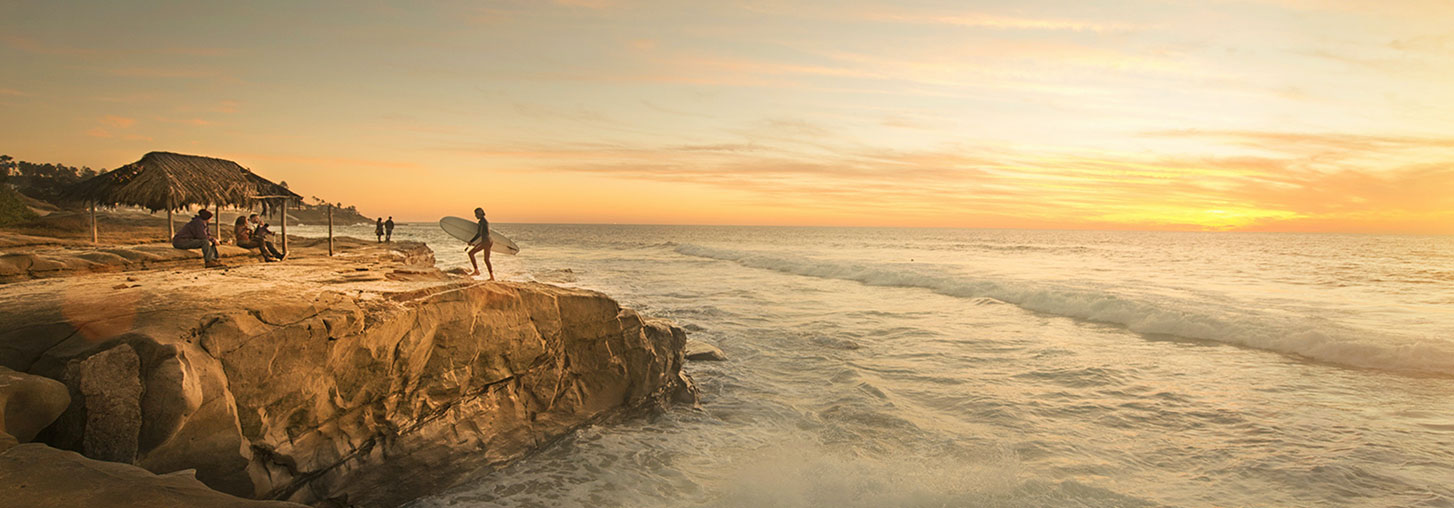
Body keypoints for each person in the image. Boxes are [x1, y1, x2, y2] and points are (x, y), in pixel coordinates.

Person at [465, 207, 494, 280]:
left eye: (476, 214)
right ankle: (491, 277)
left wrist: (471, 241)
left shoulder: (481, 222)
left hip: (485, 242)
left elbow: (479, 234)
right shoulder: (485, 221)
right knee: (486, 259)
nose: (475, 216)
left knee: (471, 253)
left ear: (480, 214)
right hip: (489, 241)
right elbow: (484, 233)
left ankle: (476, 271)